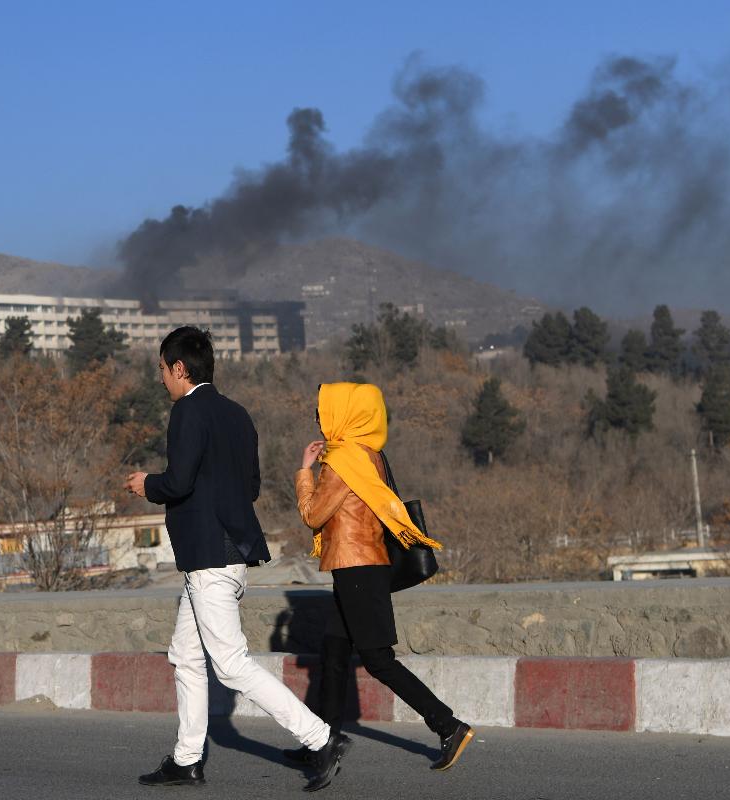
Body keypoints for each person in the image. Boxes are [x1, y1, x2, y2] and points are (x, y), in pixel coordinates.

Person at [124, 326, 351, 792]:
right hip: (226, 553)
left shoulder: (186, 412)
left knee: (228, 663)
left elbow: (180, 481)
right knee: (185, 655)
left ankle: (321, 737)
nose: (162, 380)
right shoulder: (238, 414)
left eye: (163, 370)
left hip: (207, 556)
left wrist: (147, 483)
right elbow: (249, 488)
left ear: (179, 369)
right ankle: (187, 760)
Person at [291, 382, 474, 771]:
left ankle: (448, 725)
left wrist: (304, 472)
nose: (318, 418)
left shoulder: (342, 461)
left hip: (357, 568)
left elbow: (313, 515)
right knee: (334, 654)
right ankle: (323, 740)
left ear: (345, 415)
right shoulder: (369, 453)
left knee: (378, 660)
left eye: (323, 412)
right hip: (356, 566)